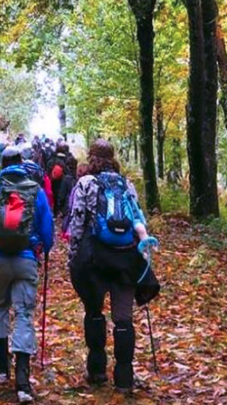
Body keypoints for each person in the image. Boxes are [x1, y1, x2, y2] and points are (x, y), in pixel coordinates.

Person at [0, 146, 54, 403]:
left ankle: (2, 368)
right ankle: (23, 383)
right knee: (24, 313)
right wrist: (44, 250)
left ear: (1, 163)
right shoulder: (34, 190)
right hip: (26, 259)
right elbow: (47, 226)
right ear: (22, 163)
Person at [68, 139, 158, 392]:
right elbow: (138, 216)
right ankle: (124, 378)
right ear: (113, 157)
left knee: (95, 312)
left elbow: (78, 222)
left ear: (92, 157)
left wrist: (74, 255)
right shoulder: (126, 184)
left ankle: (97, 371)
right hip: (125, 259)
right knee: (123, 318)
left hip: (95, 259)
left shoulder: (85, 183)